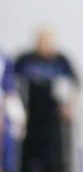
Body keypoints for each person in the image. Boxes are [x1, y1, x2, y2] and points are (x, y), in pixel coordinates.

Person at [14, 29, 79, 172]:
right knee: (29, 158)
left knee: (55, 160)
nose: (45, 45)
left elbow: (74, 85)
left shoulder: (61, 62)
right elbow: (13, 85)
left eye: (48, 41)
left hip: (54, 119)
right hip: (30, 117)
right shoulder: (24, 61)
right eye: (41, 41)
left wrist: (69, 106)